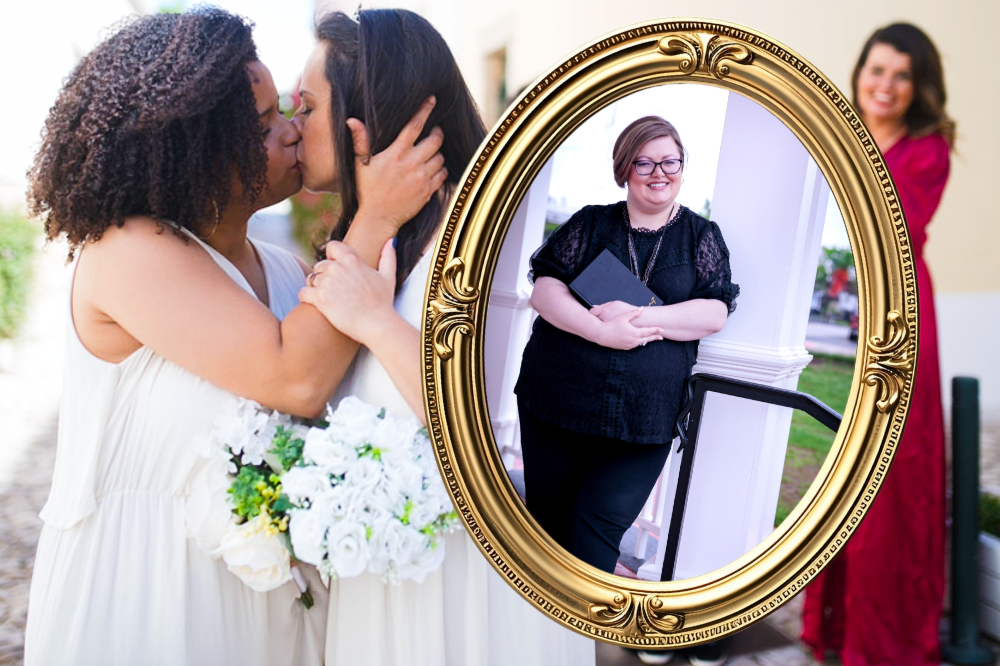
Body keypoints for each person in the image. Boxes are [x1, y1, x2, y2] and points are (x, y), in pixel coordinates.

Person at [22, 9, 445, 665]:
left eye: (289, 110)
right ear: (196, 144)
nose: (290, 133)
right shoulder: (126, 251)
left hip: (264, 609)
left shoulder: (287, 273)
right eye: (263, 124)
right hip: (144, 599)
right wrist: (377, 216)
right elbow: (295, 377)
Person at [294, 9, 597, 666]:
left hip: (460, 590)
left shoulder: (475, 227)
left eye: (305, 106)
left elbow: (478, 421)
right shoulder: (393, 233)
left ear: (358, 118)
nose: (292, 126)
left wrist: (376, 321)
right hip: (395, 568)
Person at [506, 116, 738, 666]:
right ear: (624, 168)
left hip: (643, 419)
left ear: (682, 168)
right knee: (545, 523)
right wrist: (600, 329)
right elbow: (544, 289)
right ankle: (527, 644)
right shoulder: (592, 224)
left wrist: (641, 317)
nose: (659, 173)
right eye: (645, 162)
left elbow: (714, 310)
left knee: (597, 532)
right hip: (557, 401)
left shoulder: (702, 237)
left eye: (670, 162)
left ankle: (572, 651)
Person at [801, 23, 954, 666]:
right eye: (877, 69)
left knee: (895, 475)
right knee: (845, 469)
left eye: (901, 75)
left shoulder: (927, 149)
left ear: (917, 88)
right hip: (843, 304)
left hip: (900, 313)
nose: (885, 85)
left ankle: (884, 640)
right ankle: (833, 626)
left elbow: (896, 224)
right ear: (860, 70)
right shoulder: (836, 135)